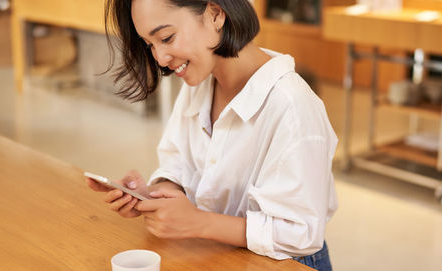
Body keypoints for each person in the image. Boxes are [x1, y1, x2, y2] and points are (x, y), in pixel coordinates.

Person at [85, 0, 337, 270]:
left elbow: (300, 234)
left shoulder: (292, 106)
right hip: (216, 254)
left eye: (167, 38)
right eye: (150, 45)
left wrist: (197, 222)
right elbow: (179, 165)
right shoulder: (199, 81)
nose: (160, 58)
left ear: (215, 14)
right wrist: (155, 197)